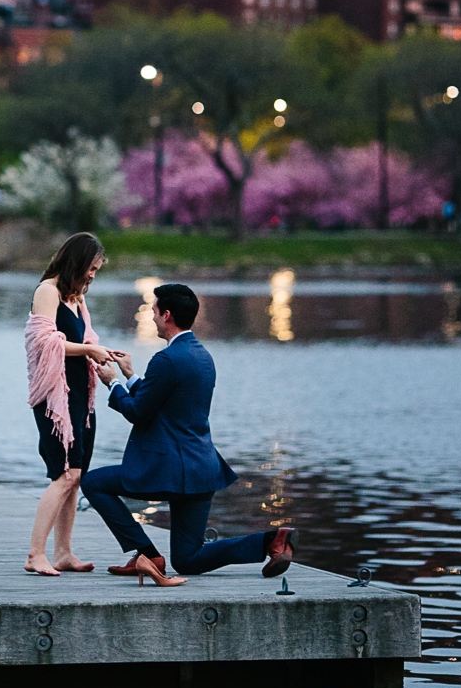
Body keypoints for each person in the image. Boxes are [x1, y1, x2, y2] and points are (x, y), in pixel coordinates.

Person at [80, 282, 298, 586]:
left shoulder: (166, 359)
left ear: (167, 314)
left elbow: (138, 412)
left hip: (169, 470)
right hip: (200, 469)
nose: (152, 317)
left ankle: (146, 553)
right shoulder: (201, 355)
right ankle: (271, 541)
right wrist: (131, 376)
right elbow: (166, 404)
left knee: (93, 482)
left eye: (154, 311)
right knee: (187, 559)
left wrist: (112, 383)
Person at [23, 232, 116, 576]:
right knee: (65, 473)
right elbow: (44, 342)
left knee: (77, 477)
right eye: (91, 268)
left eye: (97, 270)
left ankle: (63, 552)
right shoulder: (47, 291)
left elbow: (84, 339)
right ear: (77, 261)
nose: (93, 275)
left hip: (80, 394)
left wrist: (102, 353)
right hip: (54, 398)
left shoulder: (76, 298)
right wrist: (89, 350)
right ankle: (35, 554)